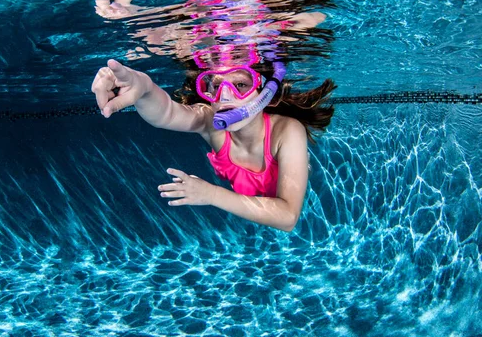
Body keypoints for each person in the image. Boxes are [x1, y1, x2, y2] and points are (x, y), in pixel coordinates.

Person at [91, 56, 336, 232]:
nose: (225, 95)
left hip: (286, 188)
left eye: (241, 85)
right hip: (252, 201)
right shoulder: (211, 123)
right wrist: (143, 87)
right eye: (216, 86)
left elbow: (288, 217)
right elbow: (166, 113)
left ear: (266, 93)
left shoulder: (286, 131)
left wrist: (210, 194)